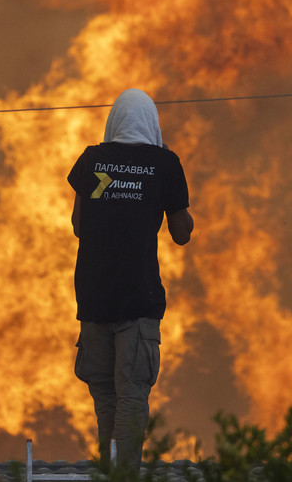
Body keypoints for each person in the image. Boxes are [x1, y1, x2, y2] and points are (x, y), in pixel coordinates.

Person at [67, 88, 193, 472]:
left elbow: (77, 226)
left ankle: (110, 471)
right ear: (151, 125)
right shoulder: (164, 163)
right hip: (138, 300)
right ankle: (125, 477)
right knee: (132, 393)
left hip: (93, 297)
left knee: (105, 393)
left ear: (114, 123)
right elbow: (182, 233)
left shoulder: (92, 160)